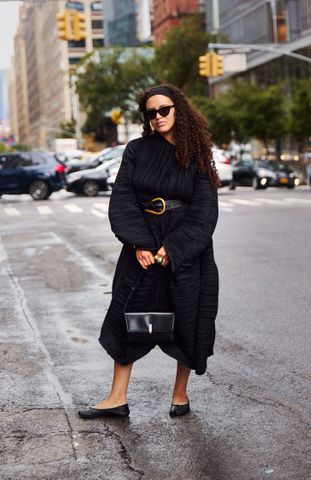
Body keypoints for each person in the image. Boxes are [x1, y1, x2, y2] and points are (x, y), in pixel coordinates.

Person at [79, 84, 220, 420]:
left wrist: (173, 249)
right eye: (150, 112)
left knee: (188, 318)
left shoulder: (197, 153)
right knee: (128, 316)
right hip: (141, 244)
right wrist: (139, 242)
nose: (157, 117)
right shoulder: (137, 150)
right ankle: (117, 398)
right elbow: (122, 197)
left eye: (164, 110)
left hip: (185, 248)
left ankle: (180, 394)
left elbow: (204, 209)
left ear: (179, 110)